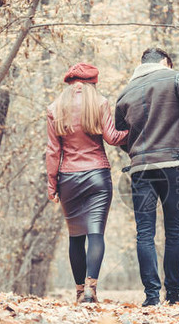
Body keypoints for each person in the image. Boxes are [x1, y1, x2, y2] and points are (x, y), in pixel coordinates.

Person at [115, 47, 179, 306]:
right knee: (174, 232)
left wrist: (135, 152)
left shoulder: (125, 92)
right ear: (166, 62)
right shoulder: (173, 77)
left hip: (140, 169)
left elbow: (121, 134)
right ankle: (174, 295)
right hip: (172, 165)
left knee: (144, 233)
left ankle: (151, 297)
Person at [46, 62, 128, 303]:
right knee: (95, 233)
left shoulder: (55, 108)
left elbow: (53, 151)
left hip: (68, 178)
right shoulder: (99, 103)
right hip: (97, 176)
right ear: (93, 83)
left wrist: (52, 184)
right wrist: (136, 131)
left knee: (75, 237)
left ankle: (80, 292)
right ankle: (92, 287)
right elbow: (113, 138)